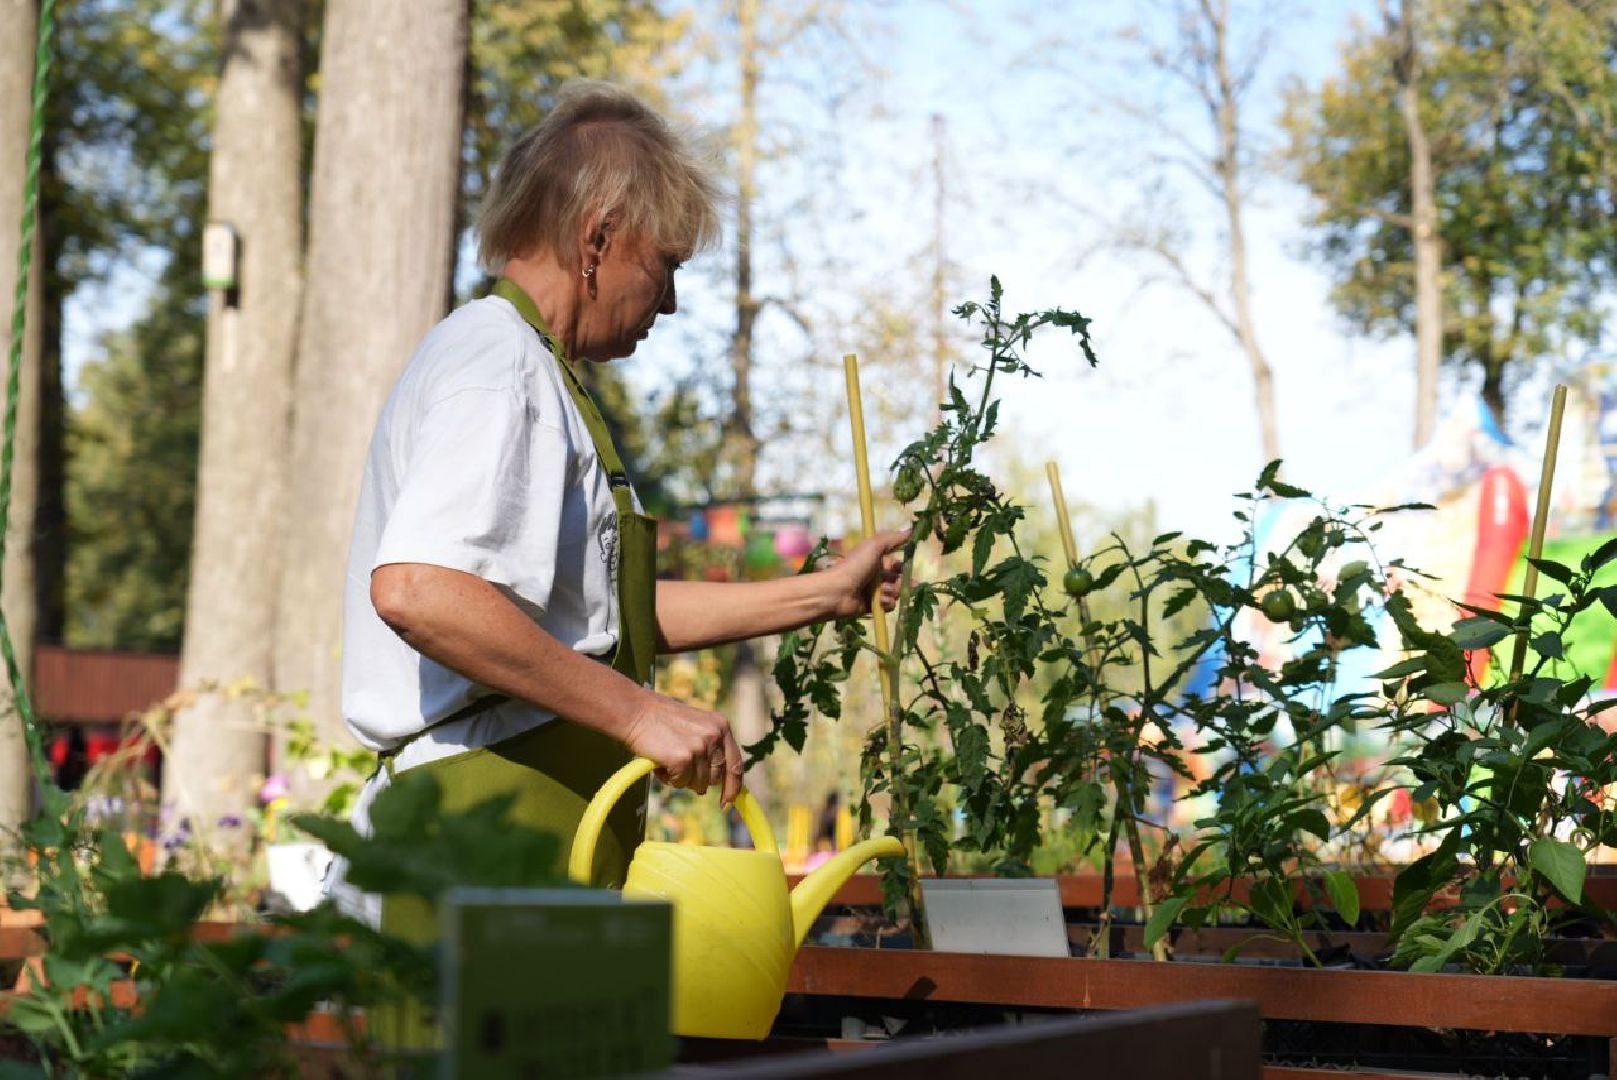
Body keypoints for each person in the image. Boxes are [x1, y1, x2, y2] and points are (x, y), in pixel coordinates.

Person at [330, 81, 905, 938]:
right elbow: (419, 588)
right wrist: (637, 712)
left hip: (530, 832)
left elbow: (597, 620)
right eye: (665, 265)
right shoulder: (498, 366)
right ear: (597, 236)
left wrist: (821, 595)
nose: (668, 302)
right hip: (475, 832)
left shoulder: (542, 376)